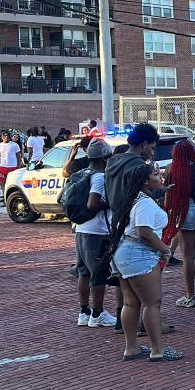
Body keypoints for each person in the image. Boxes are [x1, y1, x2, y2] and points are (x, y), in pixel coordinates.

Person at [108, 163, 183, 362]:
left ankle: (131, 347)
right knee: (152, 303)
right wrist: (165, 249)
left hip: (126, 253)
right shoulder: (145, 204)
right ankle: (157, 349)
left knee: (131, 303)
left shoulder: (136, 198)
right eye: (156, 174)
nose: (161, 177)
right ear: (145, 181)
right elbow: (144, 232)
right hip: (139, 254)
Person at [72, 139, 118, 328]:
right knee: (98, 273)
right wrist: (111, 204)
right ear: (104, 158)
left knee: (83, 272)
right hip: (97, 231)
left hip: (80, 228)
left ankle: (84, 311)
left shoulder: (80, 173)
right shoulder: (98, 176)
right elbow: (93, 203)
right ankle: (97, 313)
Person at [162, 140, 195, 308]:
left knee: (187, 258)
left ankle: (190, 295)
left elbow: (168, 196)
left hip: (182, 211)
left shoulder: (171, 169)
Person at [0, 130, 23, 197]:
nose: (6, 136)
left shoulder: (14, 145)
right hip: (2, 167)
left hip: (13, 167)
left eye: (8, 135)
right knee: (2, 183)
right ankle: (3, 196)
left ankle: (11, 196)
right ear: (2, 137)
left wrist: (19, 168)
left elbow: (18, 158)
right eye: (4, 135)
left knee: (12, 183)